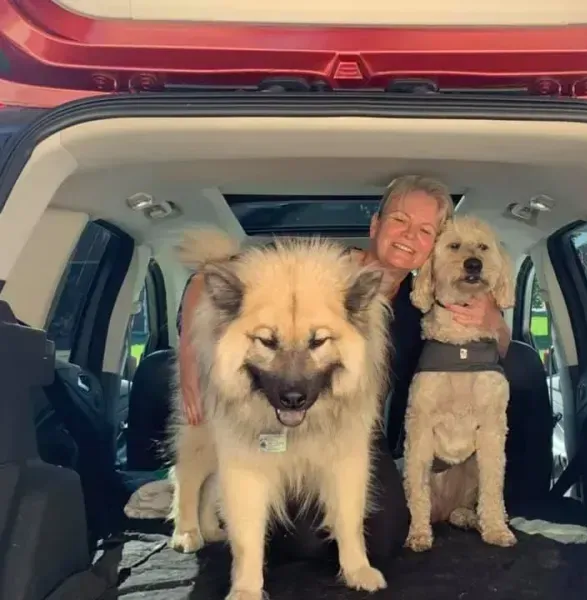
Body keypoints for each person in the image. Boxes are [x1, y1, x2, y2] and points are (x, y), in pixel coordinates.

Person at [176, 175, 517, 567]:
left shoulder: (425, 302)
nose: (409, 236)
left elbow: (501, 350)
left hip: (356, 432)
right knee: (305, 540)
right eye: (400, 221)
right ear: (375, 225)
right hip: (283, 419)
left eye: (425, 230)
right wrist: (190, 361)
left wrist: (494, 319)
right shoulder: (318, 270)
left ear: (433, 247)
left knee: (386, 537)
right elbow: (209, 277)